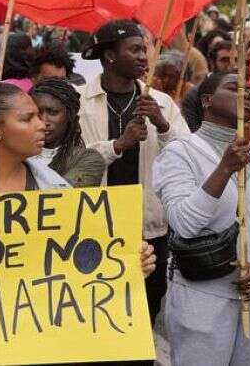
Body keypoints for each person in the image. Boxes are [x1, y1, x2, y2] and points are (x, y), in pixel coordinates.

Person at [0, 67, 156, 299]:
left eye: (41, 116)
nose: (41, 125)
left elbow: (77, 271)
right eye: (28, 119)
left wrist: (127, 265)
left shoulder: (59, 191)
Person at [154, 72, 250, 365]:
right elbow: (184, 224)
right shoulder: (180, 153)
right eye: (235, 88)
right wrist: (224, 169)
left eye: (249, 92)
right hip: (203, 298)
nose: (246, 95)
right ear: (207, 101)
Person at [78, 19, 188, 324]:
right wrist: (117, 144)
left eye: (146, 50)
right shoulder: (78, 102)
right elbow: (71, 163)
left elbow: (188, 157)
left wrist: (163, 126)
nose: (144, 57)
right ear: (110, 56)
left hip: (148, 229)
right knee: (96, 311)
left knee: (144, 310)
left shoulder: (162, 103)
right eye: (135, 49)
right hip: (95, 226)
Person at [182, 39, 238, 132]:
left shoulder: (245, 92)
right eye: (225, 60)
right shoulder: (194, 94)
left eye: (236, 60)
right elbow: (191, 130)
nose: (232, 65)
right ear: (212, 63)